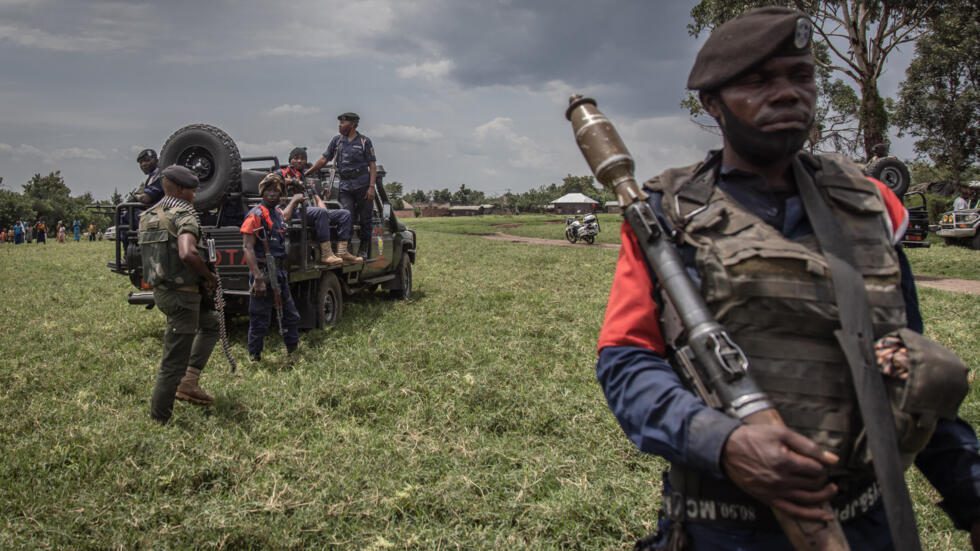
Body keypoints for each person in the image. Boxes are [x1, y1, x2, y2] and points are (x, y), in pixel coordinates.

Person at [594, 8, 980, 550]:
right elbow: (627, 362)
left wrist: (972, 496)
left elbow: (907, 368)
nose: (786, 93)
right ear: (712, 104)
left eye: (800, 76)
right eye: (757, 81)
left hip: (870, 523)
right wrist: (723, 443)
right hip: (722, 529)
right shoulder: (664, 216)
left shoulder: (873, 207)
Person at [138, 165, 219, 424]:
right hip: (183, 296)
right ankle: (159, 420)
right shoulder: (184, 213)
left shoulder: (148, 214)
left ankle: (190, 380)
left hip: (163, 291)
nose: (195, 196)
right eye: (193, 191)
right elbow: (187, 253)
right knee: (173, 362)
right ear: (182, 190)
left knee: (211, 324)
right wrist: (209, 277)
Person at [240, 173, 302, 362]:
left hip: (280, 271)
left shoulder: (276, 213)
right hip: (263, 273)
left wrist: (295, 201)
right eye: (269, 190)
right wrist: (257, 278)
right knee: (260, 318)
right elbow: (247, 247)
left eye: (277, 190)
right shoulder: (255, 215)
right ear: (262, 192)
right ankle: (254, 357)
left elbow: (286, 216)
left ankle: (292, 352)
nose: (273, 194)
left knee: (290, 315)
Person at [305, 112, 378, 259]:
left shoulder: (364, 141)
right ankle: (346, 248)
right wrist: (308, 172)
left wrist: (371, 187)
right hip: (345, 185)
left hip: (362, 185)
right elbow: (324, 159)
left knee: (365, 219)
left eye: (343, 123)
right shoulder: (337, 141)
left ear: (352, 125)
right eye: (339, 123)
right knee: (347, 216)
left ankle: (364, 249)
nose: (340, 126)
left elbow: (372, 165)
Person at [280, 147, 362, 265]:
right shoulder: (283, 172)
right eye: (296, 158)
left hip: (308, 211)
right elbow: (274, 179)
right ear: (290, 160)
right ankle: (326, 254)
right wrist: (293, 181)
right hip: (294, 211)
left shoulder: (306, 179)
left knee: (345, 214)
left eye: (302, 159)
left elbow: (317, 199)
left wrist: (324, 209)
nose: (299, 161)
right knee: (320, 213)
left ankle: (342, 251)